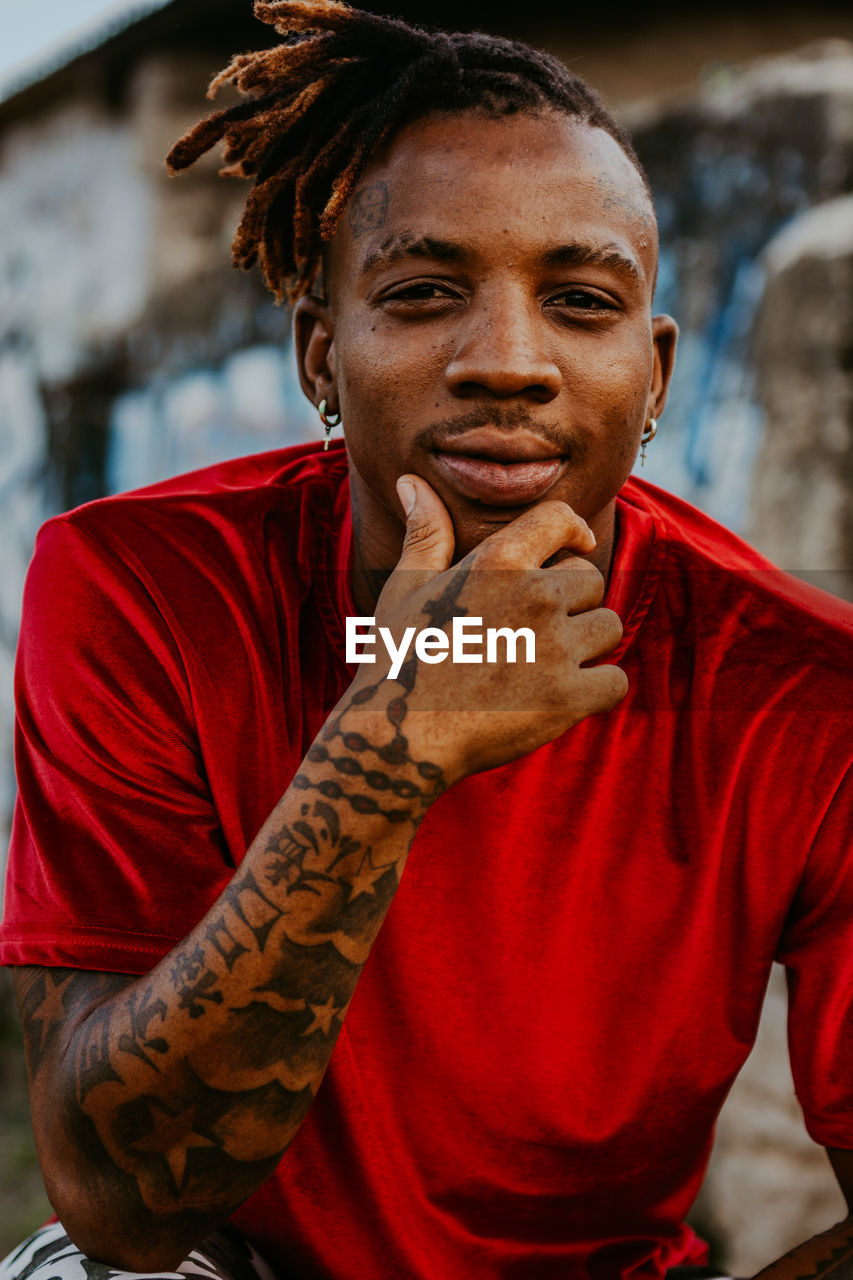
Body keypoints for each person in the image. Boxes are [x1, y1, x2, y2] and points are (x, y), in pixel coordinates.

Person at [1, 2, 852, 1277]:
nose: (506, 362)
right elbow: (124, 1201)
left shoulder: (799, 684)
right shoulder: (142, 586)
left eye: (578, 300)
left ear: (655, 373)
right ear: (319, 356)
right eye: (420, 293)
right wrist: (388, 748)